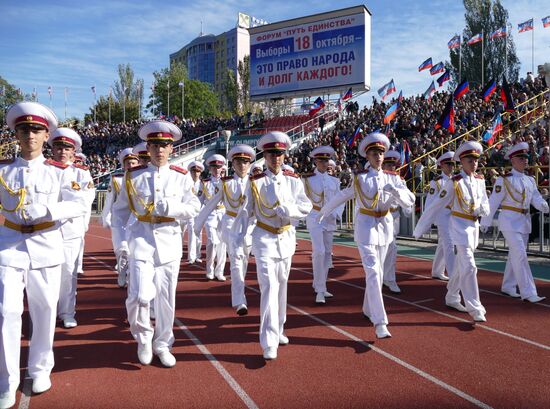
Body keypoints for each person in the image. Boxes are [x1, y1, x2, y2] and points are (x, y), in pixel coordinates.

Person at [0, 102, 88, 408]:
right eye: (24, 129)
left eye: (36, 129)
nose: (30, 135)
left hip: (46, 245)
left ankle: (40, 368)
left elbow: (78, 204)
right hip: (9, 246)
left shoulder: (60, 172)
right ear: (16, 133)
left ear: (45, 134)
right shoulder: (3, 170)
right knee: (6, 312)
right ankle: (6, 381)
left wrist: (49, 210)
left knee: (44, 310)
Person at [111, 120, 200, 367]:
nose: (159, 150)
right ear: (147, 148)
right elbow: (118, 214)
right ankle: (143, 337)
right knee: (139, 295)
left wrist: (172, 208)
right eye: (154, 145)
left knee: (165, 298)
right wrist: (120, 244)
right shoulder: (133, 177)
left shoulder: (181, 177)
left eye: (164, 145)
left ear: (172, 148)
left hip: (169, 243)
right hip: (141, 240)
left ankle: (163, 344)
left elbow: (194, 206)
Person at [318, 133, 415, 339]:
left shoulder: (393, 178)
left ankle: (367, 309)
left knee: (377, 274)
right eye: (373, 153)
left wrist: (396, 192)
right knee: (373, 272)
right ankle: (380, 321)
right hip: (366, 228)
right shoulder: (360, 178)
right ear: (367, 157)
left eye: (380, 152)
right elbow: (342, 196)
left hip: (385, 228)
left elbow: (410, 201)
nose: (378, 156)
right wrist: (323, 212)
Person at [232, 131, 312, 360]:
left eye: (279, 153)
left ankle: (279, 328)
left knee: (282, 284)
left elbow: (306, 206)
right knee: (268, 287)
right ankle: (268, 341)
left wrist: (292, 211)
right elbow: (246, 211)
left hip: (286, 238)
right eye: (270, 154)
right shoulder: (256, 182)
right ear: (264, 156)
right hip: (264, 238)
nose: (275, 158)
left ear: (284, 155)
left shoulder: (293, 180)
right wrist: (238, 238)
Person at [414, 141, 489, 322]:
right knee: (470, 266)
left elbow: (485, 201)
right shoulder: (454, 183)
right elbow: (434, 206)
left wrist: (484, 211)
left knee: (461, 267)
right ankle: (475, 307)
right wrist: (420, 229)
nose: (474, 163)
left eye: (476, 160)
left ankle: (452, 296)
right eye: (470, 160)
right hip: (459, 227)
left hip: (473, 228)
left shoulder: (479, 180)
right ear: (461, 162)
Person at [480, 142, 549, 302]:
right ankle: (529, 292)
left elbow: (535, 197)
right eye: (521, 157)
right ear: (512, 160)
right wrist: (486, 220)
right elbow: (493, 201)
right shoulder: (504, 180)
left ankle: (508, 286)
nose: (525, 160)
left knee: (515, 256)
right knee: (520, 256)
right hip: (509, 221)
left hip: (524, 222)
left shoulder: (530, 180)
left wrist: (543, 206)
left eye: (526, 157)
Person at [195, 145, 255, 315]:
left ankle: (239, 290)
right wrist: (198, 224)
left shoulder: (256, 182)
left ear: (250, 164)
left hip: (249, 226)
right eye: (238, 162)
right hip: (230, 223)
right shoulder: (226, 183)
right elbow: (212, 202)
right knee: (236, 260)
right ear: (233, 164)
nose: (242, 166)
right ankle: (239, 300)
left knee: (243, 261)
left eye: (245, 162)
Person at [48, 128, 95, 328]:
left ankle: (67, 312)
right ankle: (47, 312)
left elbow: (84, 201)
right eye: (58, 147)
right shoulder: (44, 169)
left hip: (69, 231)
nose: (61, 151)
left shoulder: (81, 173)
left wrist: (51, 210)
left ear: (73, 152)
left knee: (68, 272)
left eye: (66, 148)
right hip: (45, 231)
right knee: (46, 274)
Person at [301, 146, 341, 304]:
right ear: (315, 161)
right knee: (319, 251)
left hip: (329, 218)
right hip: (315, 216)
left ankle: (321, 285)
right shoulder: (307, 179)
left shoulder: (335, 181)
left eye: (326, 160)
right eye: (321, 160)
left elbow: (340, 199)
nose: (324, 163)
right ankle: (319, 289)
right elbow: (302, 198)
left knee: (327, 254)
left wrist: (336, 213)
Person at [101, 148, 139, 287]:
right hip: (120, 219)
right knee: (122, 249)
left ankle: (130, 275)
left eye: (134, 163)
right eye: (128, 163)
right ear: (123, 165)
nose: (131, 166)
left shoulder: (142, 178)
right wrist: (106, 216)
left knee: (133, 250)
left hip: (136, 219)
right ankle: (122, 272)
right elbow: (109, 200)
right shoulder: (116, 180)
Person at [381, 150, 414, 294]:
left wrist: (407, 208)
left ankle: (389, 278)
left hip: (393, 216)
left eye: (394, 165)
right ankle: (380, 276)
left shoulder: (399, 180)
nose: (391, 167)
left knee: (392, 248)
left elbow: (406, 196)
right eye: (388, 164)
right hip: (380, 216)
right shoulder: (378, 178)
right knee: (381, 249)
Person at [425, 151, 456, 282]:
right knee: (449, 244)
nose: (451, 167)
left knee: (443, 244)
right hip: (442, 216)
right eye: (448, 164)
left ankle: (437, 271)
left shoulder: (457, 180)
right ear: (441, 166)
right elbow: (430, 202)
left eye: (452, 164)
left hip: (454, 216)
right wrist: (427, 220)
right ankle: (454, 275)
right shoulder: (437, 182)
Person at [198, 154, 227, 280]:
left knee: (222, 244)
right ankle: (209, 269)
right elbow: (199, 200)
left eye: (218, 167)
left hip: (223, 213)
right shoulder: (205, 183)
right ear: (210, 169)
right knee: (213, 241)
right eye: (214, 167)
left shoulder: (227, 182)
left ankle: (219, 271)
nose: (216, 169)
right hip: (210, 214)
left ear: (222, 168)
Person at [185, 160, 205, 264]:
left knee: (199, 234)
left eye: (197, 172)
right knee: (192, 233)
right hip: (190, 212)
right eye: (193, 171)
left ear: (200, 172)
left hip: (200, 212)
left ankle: (197, 254)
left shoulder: (203, 184)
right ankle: (191, 256)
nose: (195, 173)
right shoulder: (186, 183)